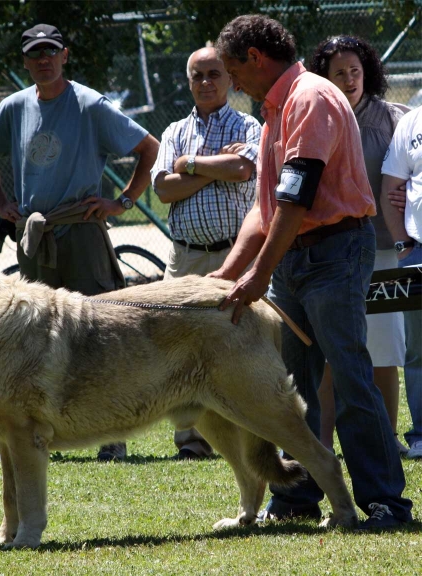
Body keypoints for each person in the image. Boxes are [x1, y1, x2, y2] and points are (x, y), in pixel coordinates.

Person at [210, 14, 412, 528]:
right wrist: (229, 271)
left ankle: (385, 500)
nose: (234, 84)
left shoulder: (310, 98)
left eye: (233, 72)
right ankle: (297, 498)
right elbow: (265, 207)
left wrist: (258, 277)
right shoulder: (276, 107)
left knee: (349, 377)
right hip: (297, 258)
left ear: (255, 59)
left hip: (335, 253)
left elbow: (296, 198)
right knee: (292, 383)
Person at [0, 24, 159, 462]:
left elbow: (149, 148)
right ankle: (42, 432)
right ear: (25, 61)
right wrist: (3, 204)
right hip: (35, 237)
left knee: (102, 332)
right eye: (35, 53)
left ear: (65, 55)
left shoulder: (90, 103)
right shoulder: (13, 107)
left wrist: (123, 201)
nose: (44, 60)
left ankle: (113, 436)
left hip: (81, 231)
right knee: (35, 336)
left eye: (51, 52)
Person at [151, 46, 261, 460]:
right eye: (197, 75)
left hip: (235, 255)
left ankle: (248, 431)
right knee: (176, 344)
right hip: (186, 257)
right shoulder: (174, 131)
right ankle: (191, 440)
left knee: (243, 343)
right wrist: (214, 167)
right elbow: (162, 189)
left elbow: (242, 170)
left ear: (231, 79)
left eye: (214, 73)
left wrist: (190, 165)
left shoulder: (248, 125)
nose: (206, 82)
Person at [309, 36, 408, 454]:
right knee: (332, 354)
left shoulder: (395, 118)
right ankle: (322, 443)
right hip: (335, 252)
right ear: (323, 78)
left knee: (384, 351)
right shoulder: (316, 118)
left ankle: (386, 439)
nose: (348, 80)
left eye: (355, 71)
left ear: (368, 72)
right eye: (338, 73)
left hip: (384, 252)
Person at [381, 105, 422, 460]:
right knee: (418, 349)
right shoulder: (411, 121)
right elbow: (390, 187)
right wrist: (403, 247)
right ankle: (421, 435)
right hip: (418, 251)